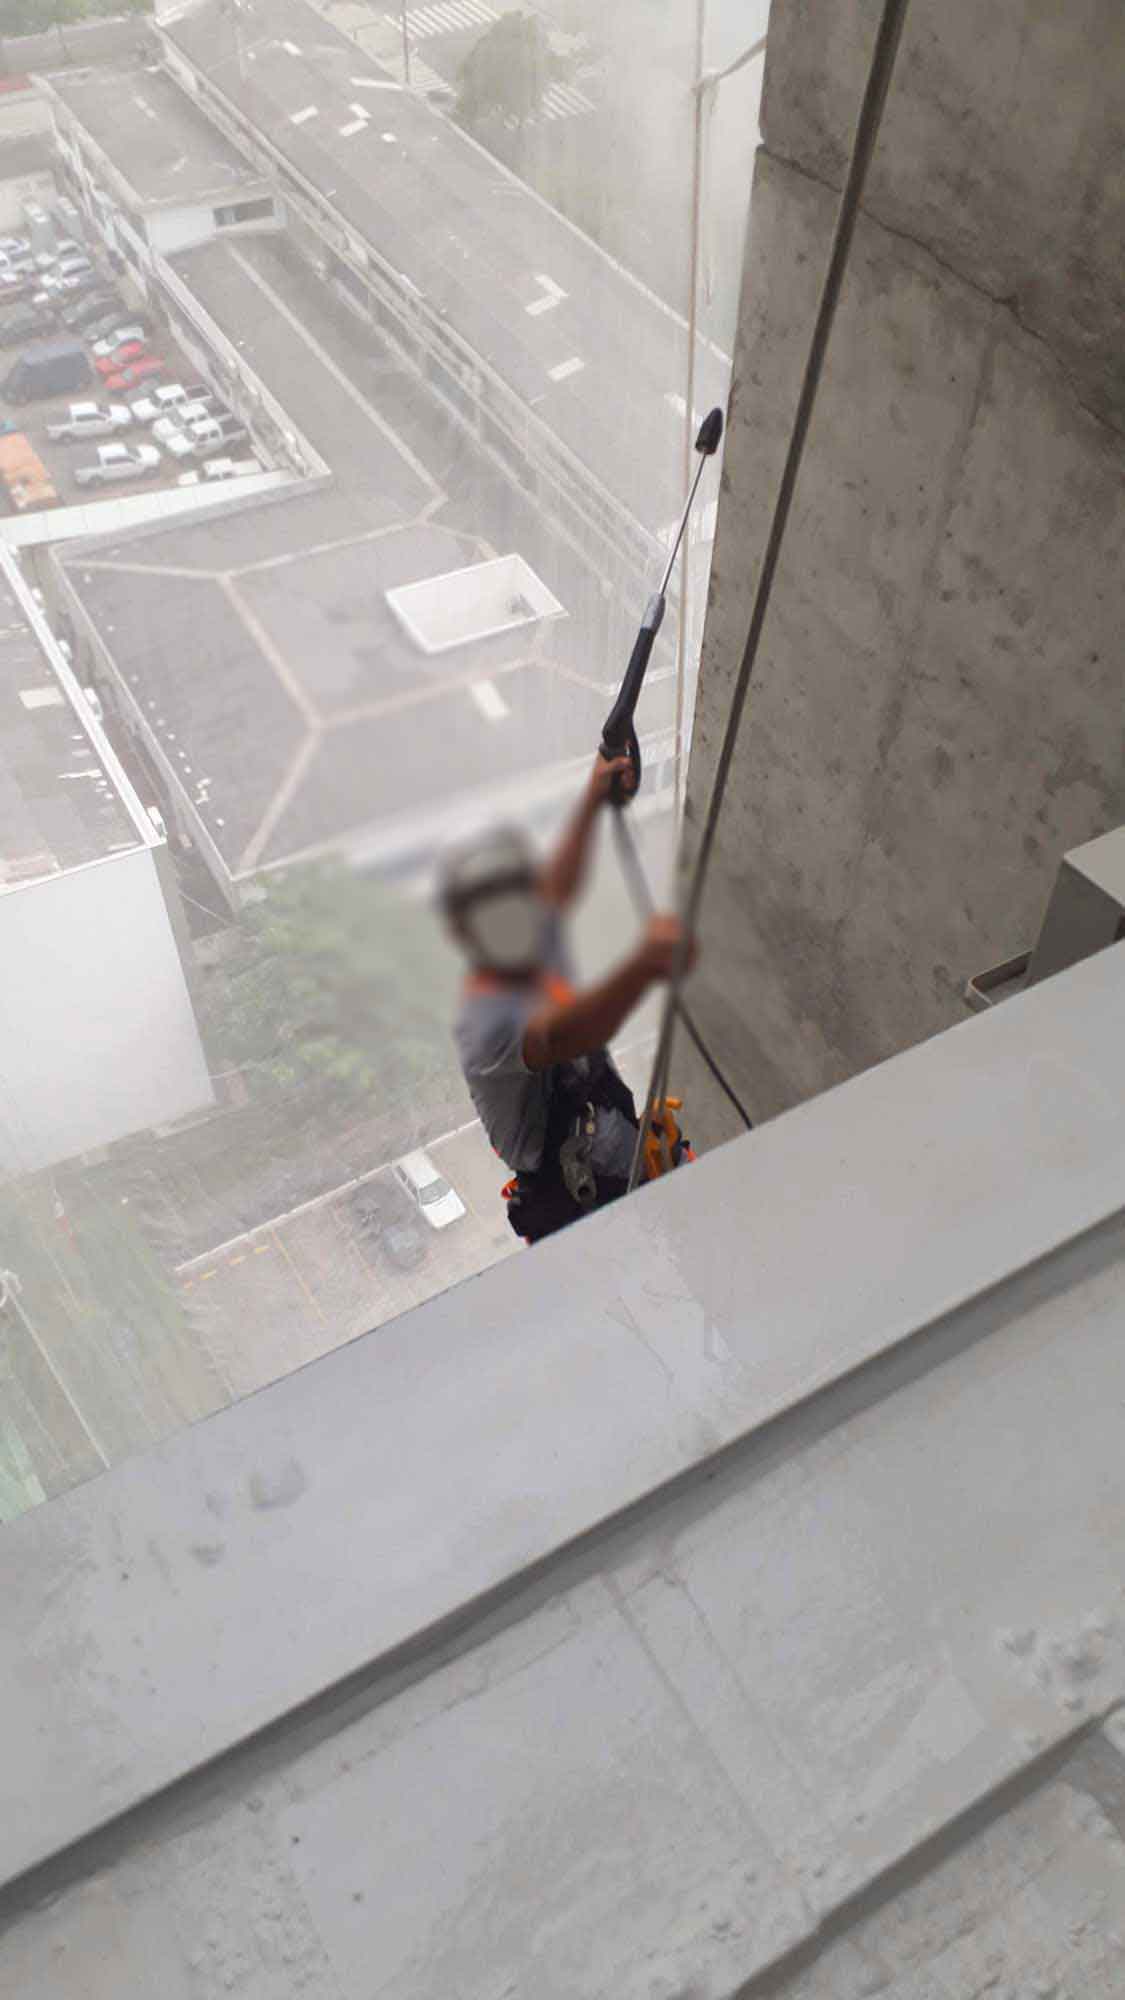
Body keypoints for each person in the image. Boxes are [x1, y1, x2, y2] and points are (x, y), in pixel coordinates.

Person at [440, 752, 693, 1244]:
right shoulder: (486, 1021)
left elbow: (555, 891)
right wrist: (643, 966)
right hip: (593, 1218)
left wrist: (593, 797)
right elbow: (562, 1034)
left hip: (627, 1168)